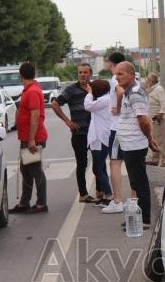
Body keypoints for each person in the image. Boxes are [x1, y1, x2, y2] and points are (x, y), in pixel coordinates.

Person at [115, 61, 159, 228]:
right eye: (116, 74)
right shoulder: (129, 92)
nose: (117, 77)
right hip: (129, 144)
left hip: (134, 144)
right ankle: (140, 217)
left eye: (121, 74)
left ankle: (145, 220)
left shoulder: (134, 93)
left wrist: (149, 139)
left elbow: (144, 120)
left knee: (139, 183)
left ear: (131, 75)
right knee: (135, 182)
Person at [51, 63, 95, 203]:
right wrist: (67, 121)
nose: (82, 75)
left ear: (90, 74)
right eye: (80, 72)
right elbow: (55, 104)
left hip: (95, 132)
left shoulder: (95, 88)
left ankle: (100, 192)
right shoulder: (71, 90)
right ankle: (83, 194)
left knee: (99, 162)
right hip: (79, 133)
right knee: (82, 164)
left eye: (85, 72)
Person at [12, 62, 48, 214]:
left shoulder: (32, 91)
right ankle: (24, 203)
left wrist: (32, 140)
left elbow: (35, 116)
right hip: (27, 137)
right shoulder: (28, 90)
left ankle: (41, 204)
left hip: (32, 138)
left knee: (35, 171)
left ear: (21, 74)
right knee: (26, 171)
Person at [101, 52, 127, 214]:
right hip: (127, 127)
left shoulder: (114, 79)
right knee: (129, 163)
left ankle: (117, 200)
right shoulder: (130, 77)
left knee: (115, 163)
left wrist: (117, 107)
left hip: (117, 128)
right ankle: (132, 200)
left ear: (111, 63)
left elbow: (120, 93)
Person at [83, 79, 113, 206]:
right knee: (101, 168)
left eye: (93, 88)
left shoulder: (105, 100)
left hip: (100, 138)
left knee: (98, 169)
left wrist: (89, 93)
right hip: (98, 138)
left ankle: (109, 196)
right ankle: (106, 195)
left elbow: (87, 106)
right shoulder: (105, 99)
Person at [144, 72, 165, 167]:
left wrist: (160, 114)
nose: (146, 81)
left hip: (159, 119)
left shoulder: (159, 89)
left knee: (162, 140)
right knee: (155, 139)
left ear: (151, 81)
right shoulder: (152, 90)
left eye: (147, 80)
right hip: (153, 119)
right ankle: (155, 159)